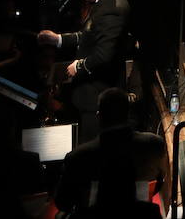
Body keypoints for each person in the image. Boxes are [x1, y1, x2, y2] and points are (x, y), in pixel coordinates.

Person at [39, 0, 132, 141]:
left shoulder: (111, 8)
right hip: (93, 97)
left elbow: (104, 54)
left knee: (92, 150)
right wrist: (57, 39)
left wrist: (79, 66)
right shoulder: (106, 2)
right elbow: (88, 36)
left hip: (97, 97)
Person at [53, 88, 168, 218]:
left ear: (99, 115)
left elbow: (63, 202)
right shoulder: (154, 144)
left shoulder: (76, 157)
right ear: (128, 112)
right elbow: (158, 182)